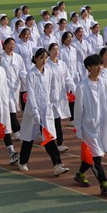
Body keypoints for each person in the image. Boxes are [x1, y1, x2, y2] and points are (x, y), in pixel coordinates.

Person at [19, 47, 69, 175]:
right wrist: (35, 111)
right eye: (41, 58)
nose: (44, 60)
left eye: (46, 57)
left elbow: (52, 89)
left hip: (46, 110)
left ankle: (57, 165)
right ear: (35, 58)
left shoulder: (49, 72)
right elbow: (31, 94)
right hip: (33, 111)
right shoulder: (31, 74)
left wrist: (53, 103)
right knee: (29, 138)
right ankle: (22, 161)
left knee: (49, 137)